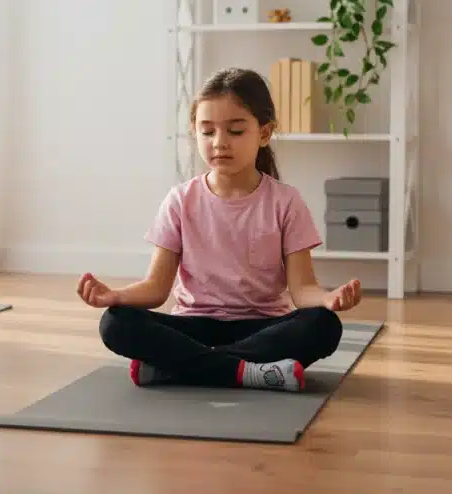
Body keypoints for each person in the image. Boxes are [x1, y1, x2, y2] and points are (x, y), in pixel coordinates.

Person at [77, 67, 360, 392]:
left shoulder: (286, 201)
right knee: (115, 322)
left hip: (261, 328)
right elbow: (156, 289)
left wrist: (327, 298)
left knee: (322, 325)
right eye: (207, 131)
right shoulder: (179, 200)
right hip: (192, 326)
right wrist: (116, 296)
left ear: (264, 133)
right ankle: (249, 372)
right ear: (195, 133)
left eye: (236, 131)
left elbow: (302, 291)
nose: (219, 142)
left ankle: (180, 368)